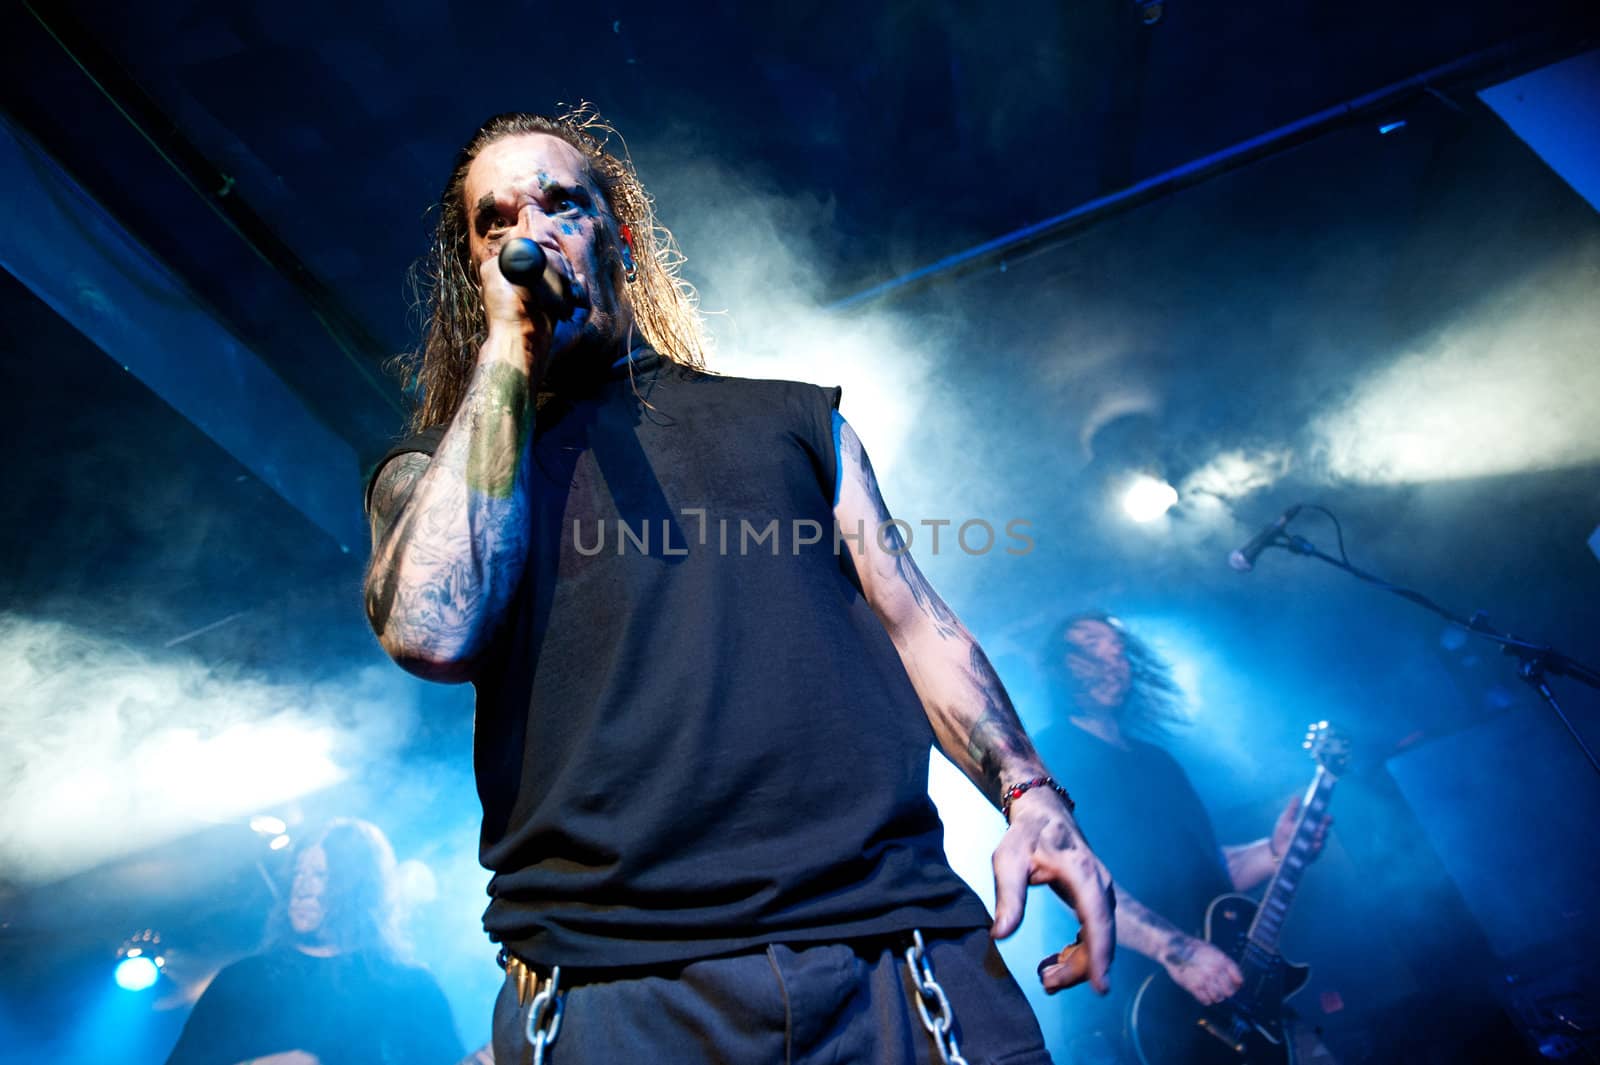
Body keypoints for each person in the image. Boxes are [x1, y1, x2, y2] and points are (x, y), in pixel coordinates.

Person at [361, 106, 1116, 1064]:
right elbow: (435, 630)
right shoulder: (437, 476)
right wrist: (510, 348)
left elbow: (917, 623)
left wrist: (1032, 794)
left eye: (561, 203)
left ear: (618, 237)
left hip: (894, 955)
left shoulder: (796, 423)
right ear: (476, 272)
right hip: (613, 986)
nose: (531, 233)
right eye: (497, 220)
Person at [1028, 612, 1330, 1064]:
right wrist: (1178, 951)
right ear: (1059, 667)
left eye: (1117, 646)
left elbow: (1204, 867)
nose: (1111, 655)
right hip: (1128, 1009)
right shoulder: (1048, 754)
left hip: (1222, 1003)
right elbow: (1066, 879)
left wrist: (1273, 852)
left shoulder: (1158, 761)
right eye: (1089, 645)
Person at [163, 818, 464, 1065]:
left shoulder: (409, 986)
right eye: (298, 873)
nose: (302, 888)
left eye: (320, 875)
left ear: (359, 888)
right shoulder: (243, 978)